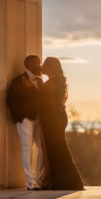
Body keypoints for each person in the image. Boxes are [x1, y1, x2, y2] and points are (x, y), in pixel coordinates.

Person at [39, 57, 84, 190]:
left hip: (52, 119)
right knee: (60, 149)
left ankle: (65, 183)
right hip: (58, 117)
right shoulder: (58, 82)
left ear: (50, 67)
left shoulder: (51, 84)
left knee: (56, 150)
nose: (42, 67)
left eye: (44, 65)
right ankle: (68, 182)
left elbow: (43, 102)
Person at [6, 55, 49, 190]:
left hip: (38, 119)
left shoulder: (40, 82)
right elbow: (10, 100)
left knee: (42, 148)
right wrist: (20, 117)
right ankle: (30, 181)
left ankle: (38, 179)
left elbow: (42, 100)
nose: (40, 66)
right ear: (30, 65)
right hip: (25, 120)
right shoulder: (18, 81)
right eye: (38, 63)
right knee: (27, 148)